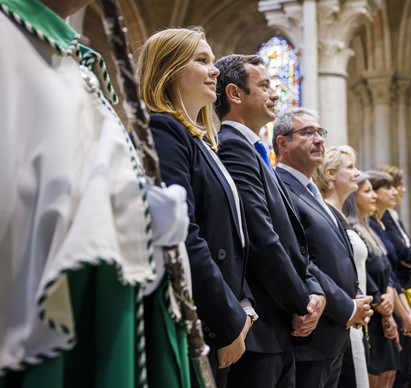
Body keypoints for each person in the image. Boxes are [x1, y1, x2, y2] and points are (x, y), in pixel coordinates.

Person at [0, 0, 189, 386]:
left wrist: (139, 224)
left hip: (103, 310)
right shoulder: (10, 37)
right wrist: (131, 214)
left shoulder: (72, 61)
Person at [137, 27, 257, 387]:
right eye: (201, 60)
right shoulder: (162, 129)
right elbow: (183, 234)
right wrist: (227, 319)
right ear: (169, 70)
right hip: (197, 318)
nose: (215, 69)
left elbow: (234, 236)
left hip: (226, 314)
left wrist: (244, 308)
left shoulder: (201, 141)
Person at [214, 54, 324, 388]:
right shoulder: (233, 147)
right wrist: (302, 301)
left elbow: (292, 238)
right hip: (262, 327)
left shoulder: (255, 151)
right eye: (264, 85)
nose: (275, 94)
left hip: (278, 324)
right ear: (235, 94)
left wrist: (312, 289)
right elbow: (262, 237)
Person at [273, 108, 372, 387]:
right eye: (307, 133)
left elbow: (341, 255)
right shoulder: (280, 187)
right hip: (312, 336)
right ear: (283, 144)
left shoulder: (311, 191)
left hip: (333, 333)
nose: (318, 139)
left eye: (320, 132)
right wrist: (346, 307)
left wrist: (358, 298)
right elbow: (300, 258)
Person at [314, 145, 372, 388]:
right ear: (330, 174)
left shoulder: (340, 215)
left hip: (354, 313)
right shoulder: (324, 211)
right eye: (350, 167)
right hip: (340, 316)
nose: (357, 173)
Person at [343, 174, 400, 388]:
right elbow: (361, 272)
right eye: (367, 191)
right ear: (352, 197)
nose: (373, 196)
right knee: (372, 376)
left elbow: (385, 267)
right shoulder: (352, 229)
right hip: (369, 309)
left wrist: (388, 293)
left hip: (382, 304)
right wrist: (380, 301)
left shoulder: (370, 228)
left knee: (387, 374)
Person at [375, 165, 411, 388]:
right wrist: (402, 312)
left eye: (398, 186)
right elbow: (402, 256)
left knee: (396, 372)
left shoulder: (385, 221)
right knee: (389, 373)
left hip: (396, 295)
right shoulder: (377, 224)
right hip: (383, 301)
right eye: (391, 187)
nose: (397, 191)